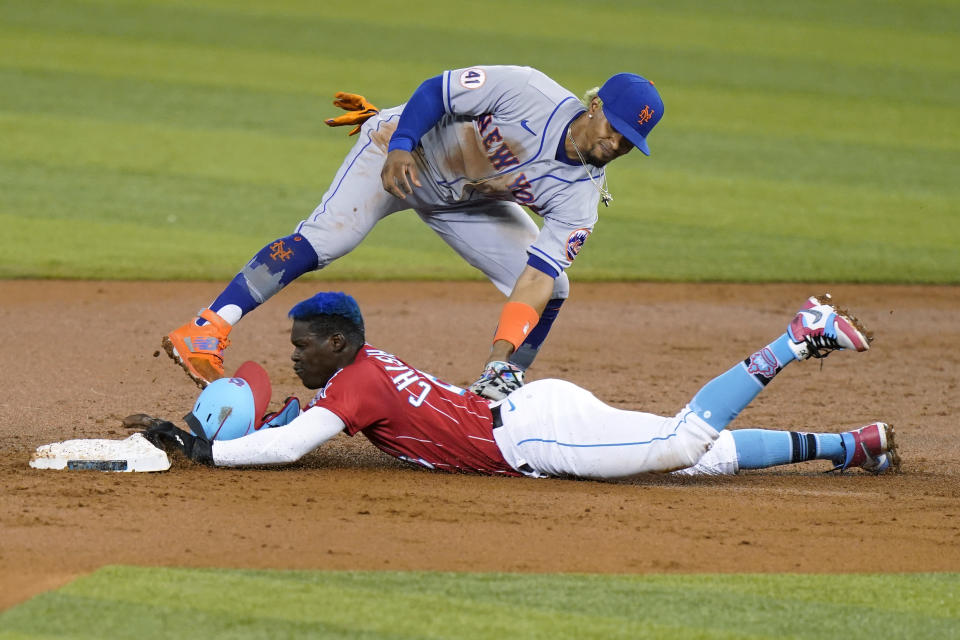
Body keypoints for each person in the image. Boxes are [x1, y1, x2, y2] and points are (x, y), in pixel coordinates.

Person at [161, 65, 665, 400]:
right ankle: (206, 328)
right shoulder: (527, 91)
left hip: (463, 202)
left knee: (553, 287)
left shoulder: (580, 198)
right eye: (615, 127)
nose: (617, 142)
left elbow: (534, 278)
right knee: (329, 239)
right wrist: (401, 142)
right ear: (595, 105)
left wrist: (498, 357)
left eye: (630, 140)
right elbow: (436, 91)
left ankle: (499, 388)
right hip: (400, 155)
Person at [144, 291, 899, 478]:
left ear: (337, 343)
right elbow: (296, 419)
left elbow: (291, 446)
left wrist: (209, 454)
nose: (298, 355)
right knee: (713, 458)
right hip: (531, 417)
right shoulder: (365, 370)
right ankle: (851, 444)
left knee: (681, 443)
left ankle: (798, 335)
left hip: (536, 434)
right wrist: (268, 413)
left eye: (303, 346)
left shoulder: (355, 383)